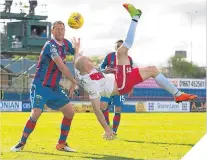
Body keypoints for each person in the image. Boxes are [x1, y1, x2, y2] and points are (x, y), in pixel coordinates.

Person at [74, 3, 198, 140]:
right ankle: (135, 17)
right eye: (89, 61)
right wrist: (106, 128)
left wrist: (77, 49)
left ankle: (178, 94)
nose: (91, 61)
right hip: (120, 84)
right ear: (86, 67)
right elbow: (96, 110)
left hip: (121, 79)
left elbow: (76, 62)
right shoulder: (91, 86)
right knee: (121, 51)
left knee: (152, 70)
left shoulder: (80, 71)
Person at [10, 21, 79, 152]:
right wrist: (73, 81)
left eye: (62, 29)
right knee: (36, 112)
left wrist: (77, 49)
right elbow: (61, 66)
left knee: (70, 113)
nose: (60, 31)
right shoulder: (50, 46)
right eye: (57, 29)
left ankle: (61, 144)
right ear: (52, 31)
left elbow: (76, 59)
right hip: (40, 85)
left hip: (54, 88)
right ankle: (21, 143)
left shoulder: (66, 44)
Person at [99, 39, 133, 134]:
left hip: (120, 87)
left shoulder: (129, 59)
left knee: (118, 109)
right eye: (118, 46)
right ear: (115, 48)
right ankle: (107, 129)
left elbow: (131, 74)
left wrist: (131, 86)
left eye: (122, 46)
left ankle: (114, 131)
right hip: (108, 85)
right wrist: (105, 70)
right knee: (103, 106)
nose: (120, 48)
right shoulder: (109, 56)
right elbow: (101, 67)